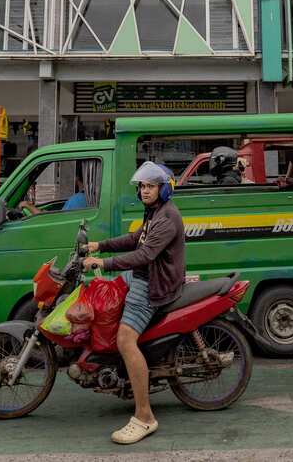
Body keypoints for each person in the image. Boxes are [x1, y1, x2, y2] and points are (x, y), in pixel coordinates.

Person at [82, 162, 184, 445]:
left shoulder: (166, 218)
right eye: (142, 186)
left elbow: (144, 255)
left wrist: (103, 262)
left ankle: (145, 416)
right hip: (141, 276)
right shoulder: (153, 212)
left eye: (150, 186)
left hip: (153, 284)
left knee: (126, 340)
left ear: (164, 189)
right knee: (108, 294)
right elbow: (134, 239)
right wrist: (99, 246)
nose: (145, 191)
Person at [17, 175, 89, 215]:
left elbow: (49, 220)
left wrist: (27, 205)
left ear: (76, 178)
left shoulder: (76, 200)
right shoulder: (88, 198)